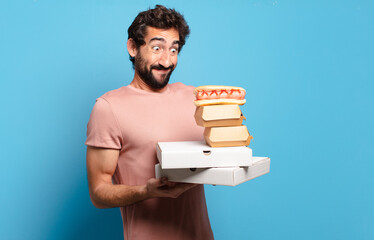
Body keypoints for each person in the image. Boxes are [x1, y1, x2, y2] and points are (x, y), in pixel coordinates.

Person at [85, 5, 214, 240]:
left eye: (174, 50)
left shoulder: (195, 98)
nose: (167, 61)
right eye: (157, 48)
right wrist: (146, 191)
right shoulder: (108, 108)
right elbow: (98, 192)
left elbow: (212, 157)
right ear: (133, 47)